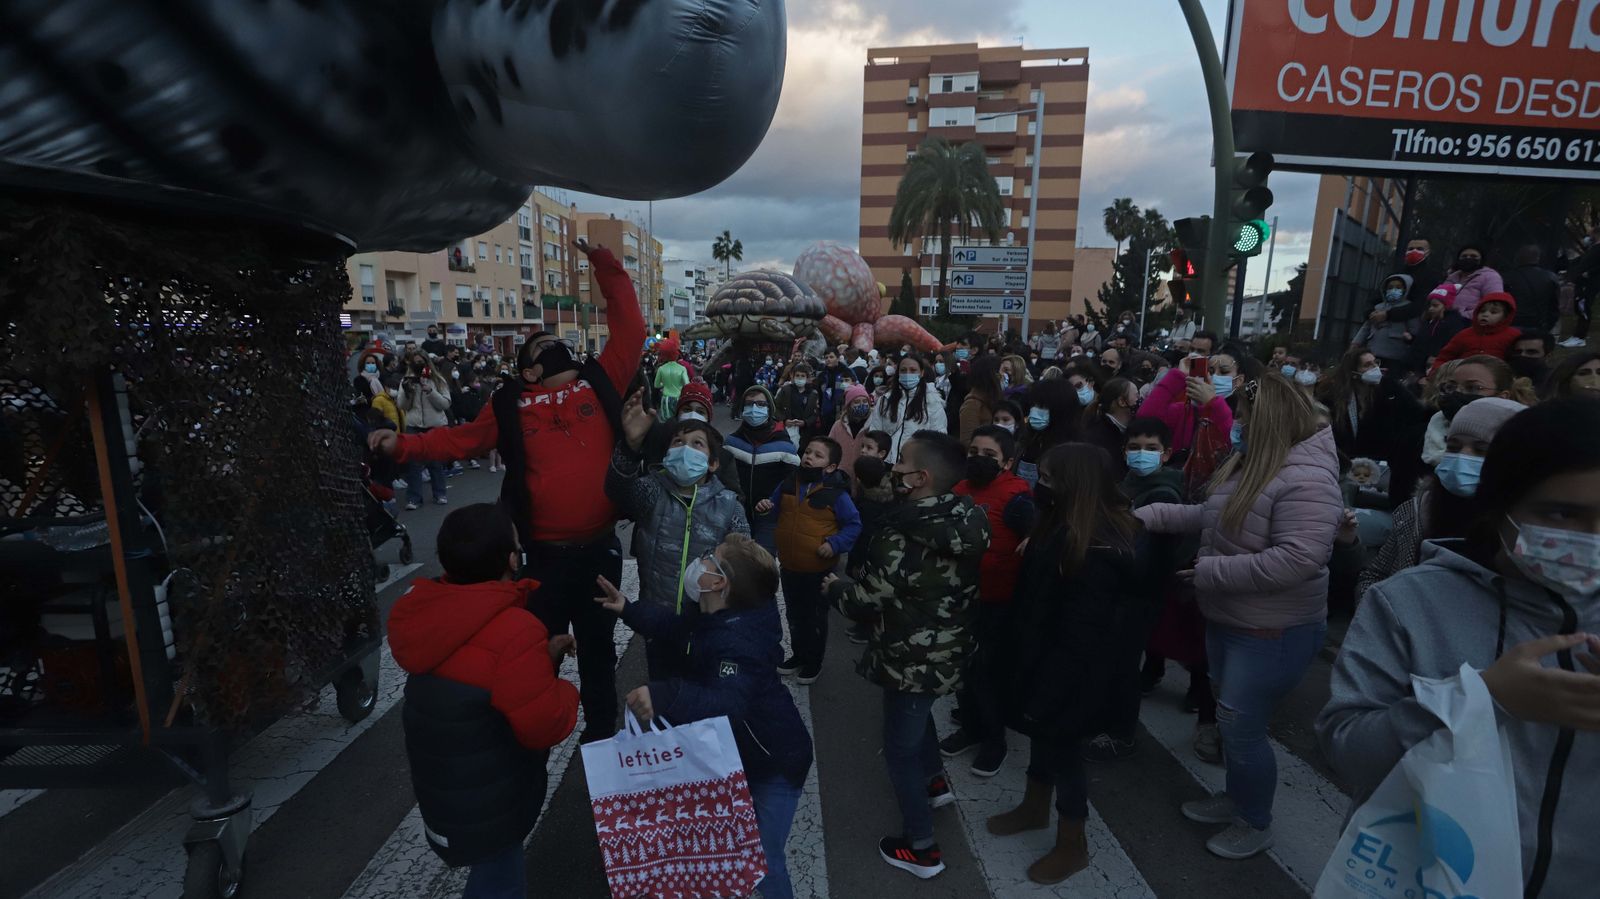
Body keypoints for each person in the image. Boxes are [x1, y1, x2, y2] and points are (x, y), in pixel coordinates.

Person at [1317, 398, 1600, 899]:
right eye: (1563, 513)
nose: (1592, 538)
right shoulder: (1410, 604)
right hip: (1428, 878)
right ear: (1500, 506)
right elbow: (1347, 749)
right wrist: (1479, 700)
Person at [369, 238, 642, 742]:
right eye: (537, 347)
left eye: (550, 342)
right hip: (543, 557)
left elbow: (631, 325)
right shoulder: (512, 404)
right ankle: (534, 730)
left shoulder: (601, 381)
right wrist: (402, 447)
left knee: (599, 652)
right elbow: (458, 440)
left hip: (600, 551)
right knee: (540, 649)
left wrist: (605, 264)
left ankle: (601, 737)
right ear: (529, 370)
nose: (549, 346)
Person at [1136, 374, 1342, 860]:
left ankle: (1255, 821)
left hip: (1272, 629)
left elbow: (1298, 559)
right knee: (1234, 725)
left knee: (1242, 728)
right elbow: (1205, 516)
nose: (1238, 426)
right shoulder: (1248, 466)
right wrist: (1142, 516)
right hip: (1229, 619)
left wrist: (1209, 571)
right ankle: (1237, 797)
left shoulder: (1307, 481)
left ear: (1270, 422)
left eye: (1245, 417)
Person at [596, 535, 813, 899]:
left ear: (717, 583)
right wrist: (629, 609)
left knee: (763, 858)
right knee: (730, 847)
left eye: (710, 558)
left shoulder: (740, 643)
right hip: (738, 759)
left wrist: (667, 694)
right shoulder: (715, 617)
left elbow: (728, 702)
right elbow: (676, 628)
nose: (701, 559)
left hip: (775, 765)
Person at [986, 442, 1158, 885]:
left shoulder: (1095, 545)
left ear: (1074, 486)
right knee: (1042, 736)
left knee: (1064, 751)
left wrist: (1050, 688)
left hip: (1073, 673)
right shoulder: (1063, 524)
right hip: (1044, 657)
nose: (1037, 487)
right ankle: (1033, 806)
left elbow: (1081, 634)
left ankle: (1071, 842)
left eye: (1046, 480)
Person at [388, 504, 579, 898]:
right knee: (502, 882)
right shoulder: (515, 629)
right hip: (494, 795)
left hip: (446, 786)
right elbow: (545, 723)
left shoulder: (425, 613)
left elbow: (480, 669)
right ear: (512, 559)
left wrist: (539, 658)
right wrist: (567, 689)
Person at [824, 431, 989, 880]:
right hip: (949, 649)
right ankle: (934, 781)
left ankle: (922, 846)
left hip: (908, 655)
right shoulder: (968, 517)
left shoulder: (898, 532)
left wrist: (835, 587)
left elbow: (865, 600)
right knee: (921, 714)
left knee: (898, 748)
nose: (894, 470)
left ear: (920, 477)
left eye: (901, 465)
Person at [609, 396, 750, 678]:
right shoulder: (651, 491)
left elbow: (745, 563)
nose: (685, 450)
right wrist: (630, 446)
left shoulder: (729, 505)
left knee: (702, 698)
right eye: (677, 443)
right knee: (663, 690)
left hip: (708, 625)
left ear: (712, 463)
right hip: (658, 622)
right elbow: (617, 492)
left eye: (697, 444)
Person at [1357, 398, 1524, 597]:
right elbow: (1375, 574)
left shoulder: (1522, 530)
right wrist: (1381, 615)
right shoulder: (1418, 509)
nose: (1463, 456)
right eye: (1453, 447)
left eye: (1481, 450)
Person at [942, 425, 1035, 776]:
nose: (979, 460)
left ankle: (994, 740)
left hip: (998, 603)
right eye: (974, 452)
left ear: (1008, 462)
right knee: (962, 668)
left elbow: (1036, 539)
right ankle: (971, 728)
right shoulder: (959, 489)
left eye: (989, 456)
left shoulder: (1017, 498)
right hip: (960, 597)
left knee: (987, 673)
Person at [759, 436, 861, 684]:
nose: (809, 457)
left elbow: (853, 525)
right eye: (808, 452)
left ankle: (813, 662)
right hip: (790, 565)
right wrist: (764, 506)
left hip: (818, 571)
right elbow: (773, 506)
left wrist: (834, 544)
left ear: (831, 467)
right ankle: (798, 655)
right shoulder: (789, 482)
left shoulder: (836, 495)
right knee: (795, 615)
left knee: (814, 618)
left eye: (817, 455)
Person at [1320, 346, 1430, 505]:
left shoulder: (1390, 389)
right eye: (1367, 365)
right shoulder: (1335, 397)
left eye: (1375, 363)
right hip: (1345, 465)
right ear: (1353, 372)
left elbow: (1416, 413)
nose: (1374, 368)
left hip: (1383, 466)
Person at [726, 385, 801, 554]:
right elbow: (723, 478)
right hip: (737, 513)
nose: (754, 408)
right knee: (738, 560)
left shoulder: (784, 445)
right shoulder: (731, 442)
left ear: (770, 409)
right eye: (749, 403)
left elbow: (793, 481)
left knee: (762, 560)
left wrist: (772, 500)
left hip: (769, 515)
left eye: (761, 404)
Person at [1136, 351, 1234, 469]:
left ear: (1240, 379)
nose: (1215, 376)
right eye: (1211, 371)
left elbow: (1229, 444)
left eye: (1223, 372)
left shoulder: (1243, 415)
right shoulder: (1187, 410)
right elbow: (1146, 419)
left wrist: (1214, 403)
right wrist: (1179, 375)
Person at [865, 354, 946, 461]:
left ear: (921, 373)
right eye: (903, 370)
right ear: (898, 373)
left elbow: (938, 440)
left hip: (914, 467)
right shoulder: (885, 400)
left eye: (913, 370)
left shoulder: (933, 402)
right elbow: (875, 432)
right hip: (885, 464)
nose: (908, 374)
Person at [397, 361, 453, 510]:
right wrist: (408, 391)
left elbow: (445, 404)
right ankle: (414, 498)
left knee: (435, 461)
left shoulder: (438, 380)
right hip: (414, 425)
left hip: (433, 425)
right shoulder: (406, 380)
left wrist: (430, 391)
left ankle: (440, 493)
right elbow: (402, 405)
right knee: (413, 463)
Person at [1430, 291, 1521, 373]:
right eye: (1482, 311)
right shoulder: (1464, 334)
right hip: (1463, 377)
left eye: (1493, 312)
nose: (1485, 314)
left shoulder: (1513, 335)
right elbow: (1445, 357)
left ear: (1506, 316)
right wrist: (1435, 373)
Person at [1351, 274, 1417, 372]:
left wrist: (1410, 338)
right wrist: (1355, 343)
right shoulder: (1378, 307)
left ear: (1405, 289)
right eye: (1390, 287)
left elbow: (1415, 329)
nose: (1394, 290)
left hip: (1395, 355)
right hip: (1373, 353)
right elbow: (1366, 327)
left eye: (1398, 287)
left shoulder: (1409, 309)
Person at [1081, 377, 1140, 477]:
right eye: (1136, 395)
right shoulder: (1097, 436)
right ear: (1122, 402)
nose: (1139, 399)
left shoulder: (1130, 429)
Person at [1502, 244, 1561, 339]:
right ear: (1538, 258)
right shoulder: (1550, 277)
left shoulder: (1506, 278)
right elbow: (1554, 306)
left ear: (1518, 257)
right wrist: (1548, 326)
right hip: (1539, 324)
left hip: (1512, 324)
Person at [1407, 284, 1469, 372]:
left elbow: (1449, 344)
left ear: (1446, 306)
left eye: (1435, 306)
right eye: (1430, 306)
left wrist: (1435, 355)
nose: (1431, 309)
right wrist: (1412, 339)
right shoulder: (1429, 321)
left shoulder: (1454, 323)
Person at [1444, 243, 1505, 322]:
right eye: (1464, 256)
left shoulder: (1490, 277)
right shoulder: (1452, 277)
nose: (1468, 258)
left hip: (1471, 323)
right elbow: (1441, 297)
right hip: (1444, 321)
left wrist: (1464, 315)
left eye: (1473, 256)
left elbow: (1494, 305)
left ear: (1481, 260)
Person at [828, 384, 876, 475]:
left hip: (865, 474)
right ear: (849, 405)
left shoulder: (874, 424)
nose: (862, 405)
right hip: (841, 474)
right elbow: (829, 449)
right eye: (857, 402)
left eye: (865, 401)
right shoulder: (838, 425)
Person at [958, 354, 1003, 444]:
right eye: (1002, 371)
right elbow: (967, 442)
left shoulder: (995, 399)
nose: (1005, 376)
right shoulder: (972, 405)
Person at [774, 362, 823, 440]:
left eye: (803, 376)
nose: (800, 378)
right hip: (786, 430)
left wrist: (805, 423)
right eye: (797, 375)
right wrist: (784, 420)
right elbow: (776, 407)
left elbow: (815, 414)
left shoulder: (813, 394)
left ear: (807, 378)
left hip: (805, 432)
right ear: (793, 377)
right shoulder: (785, 390)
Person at [652, 338, 689, 420]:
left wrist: (664, 384)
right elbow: (687, 384)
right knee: (679, 420)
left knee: (666, 422)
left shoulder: (661, 369)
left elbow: (656, 385)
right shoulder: (682, 368)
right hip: (679, 398)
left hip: (666, 398)